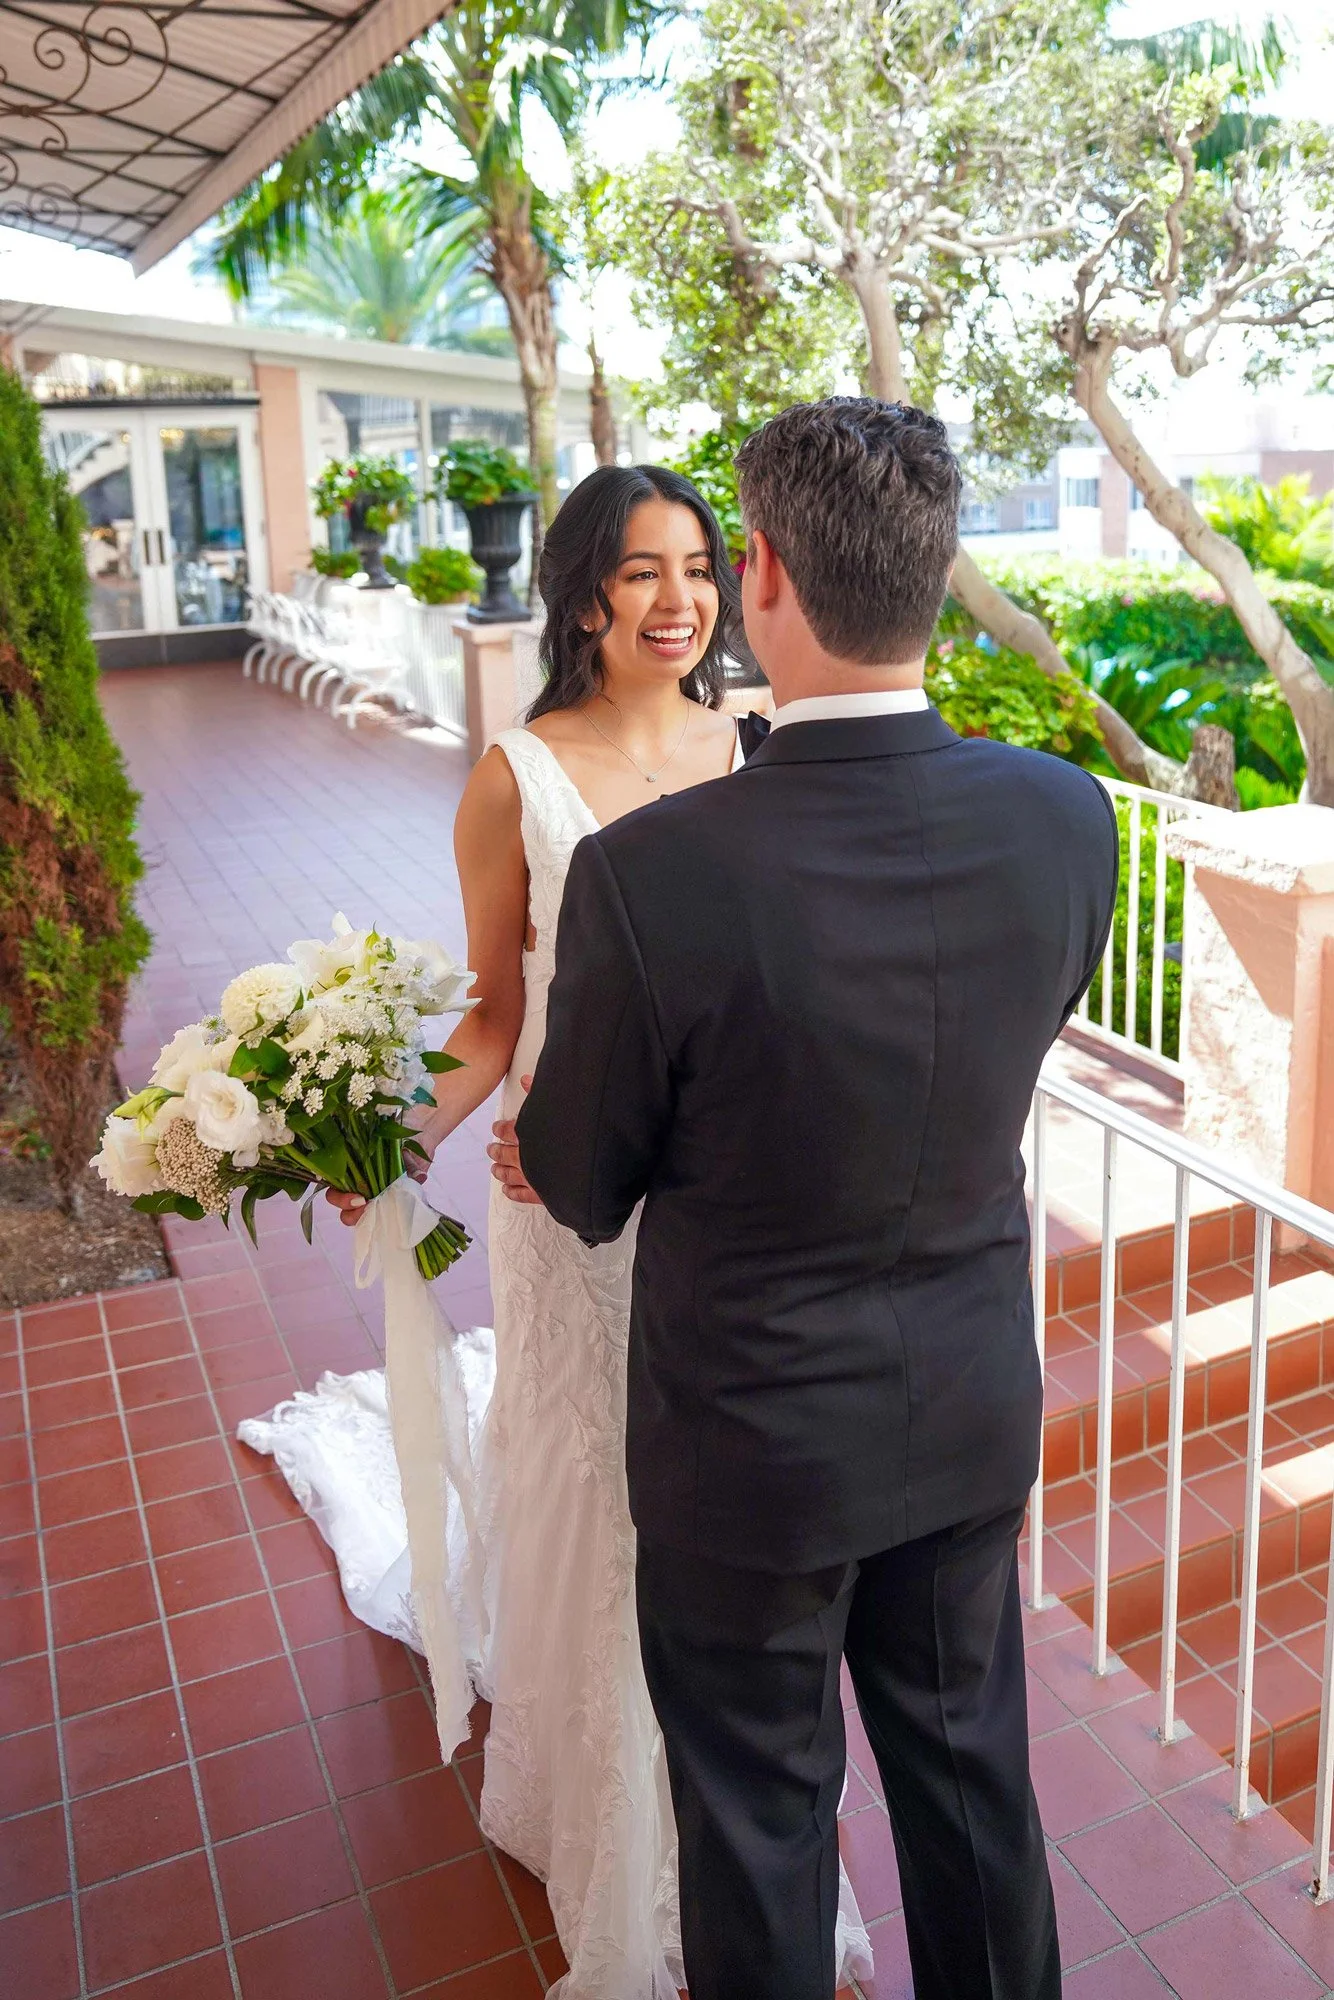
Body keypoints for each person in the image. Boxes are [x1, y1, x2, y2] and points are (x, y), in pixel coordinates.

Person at [501, 399, 1120, 2000]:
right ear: (934, 571)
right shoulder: (1066, 817)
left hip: (750, 1445)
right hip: (966, 1398)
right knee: (973, 1787)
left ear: (761, 575)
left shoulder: (658, 872)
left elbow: (578, 1176)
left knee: (761, 1824)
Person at [252, 463, 872, 1996]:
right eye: (640, 572)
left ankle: (725, 1810)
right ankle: (609, 1816)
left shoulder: (760, 750)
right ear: (581, 591)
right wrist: (399, 1135)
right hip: (565, 1214)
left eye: (701, 569)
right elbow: (491, 1013)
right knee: (599, 1501)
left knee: (712, 1512)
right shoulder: (513, 776)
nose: (678, 602)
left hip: (722, 1202)